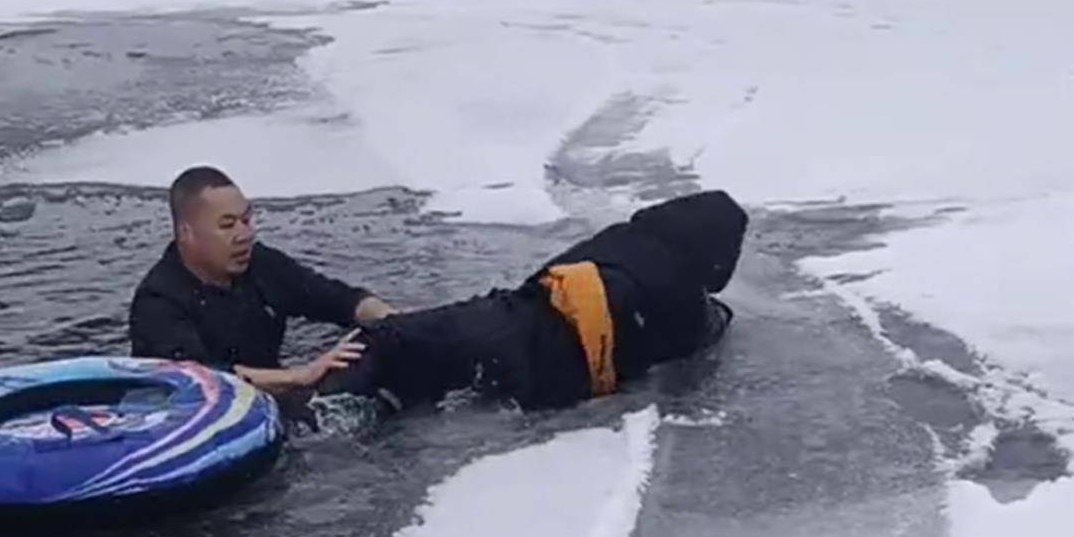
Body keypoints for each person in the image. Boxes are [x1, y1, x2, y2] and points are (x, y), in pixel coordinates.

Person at [309, 188, 748, 415]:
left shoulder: (619, 241)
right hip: (542, 381)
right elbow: (712, 324)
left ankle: (313, 415)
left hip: (501, 323)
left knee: (388, 345)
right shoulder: (689, 311)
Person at [129, 166, 392, 393]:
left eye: (246, 220)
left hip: (274, 389)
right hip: (196, 409)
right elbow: (200, 379)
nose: (245, 235)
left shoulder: (262, 265)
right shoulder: (157, 302)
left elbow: (336, 299)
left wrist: (391, 319)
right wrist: (301, 375)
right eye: (228, 225)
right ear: (186, 233)